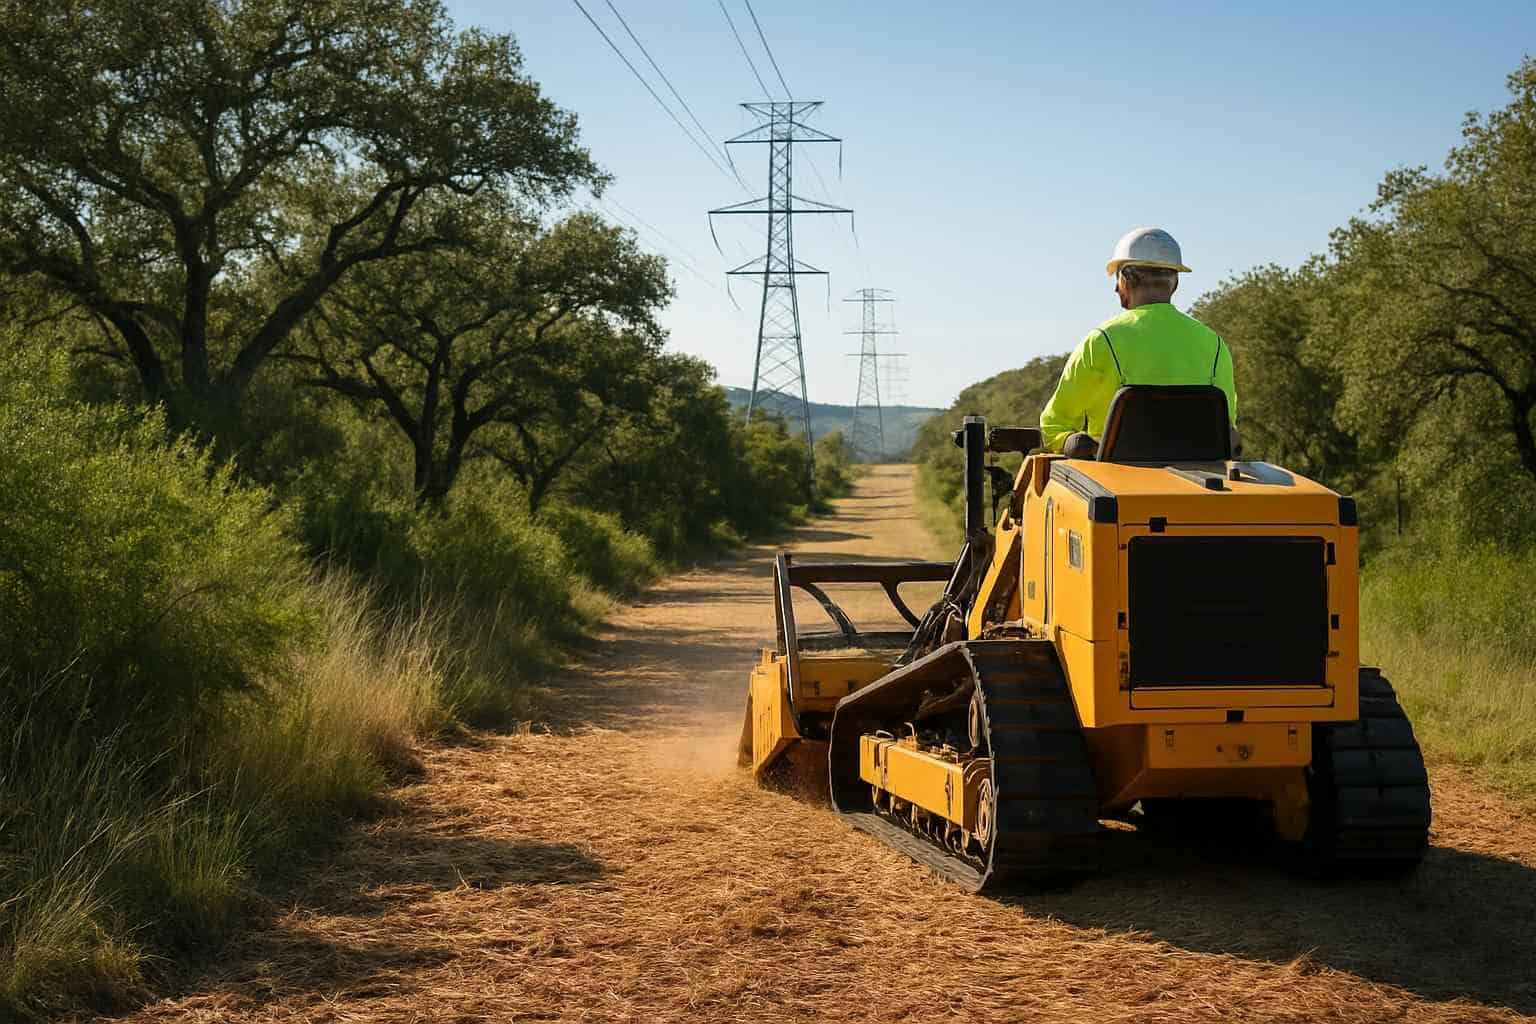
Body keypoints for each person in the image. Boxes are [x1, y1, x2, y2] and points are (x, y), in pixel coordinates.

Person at [1039, 227, 1238, 458]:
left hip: (1115, 484)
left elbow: (1054, 426)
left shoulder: (1101, 340)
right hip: (1202, 486)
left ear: (1125, 280)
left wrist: (1074, 442)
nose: (1115, 288)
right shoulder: (1214, 344)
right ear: (1174, 283)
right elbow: (1227, 429)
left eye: (1117, 279)